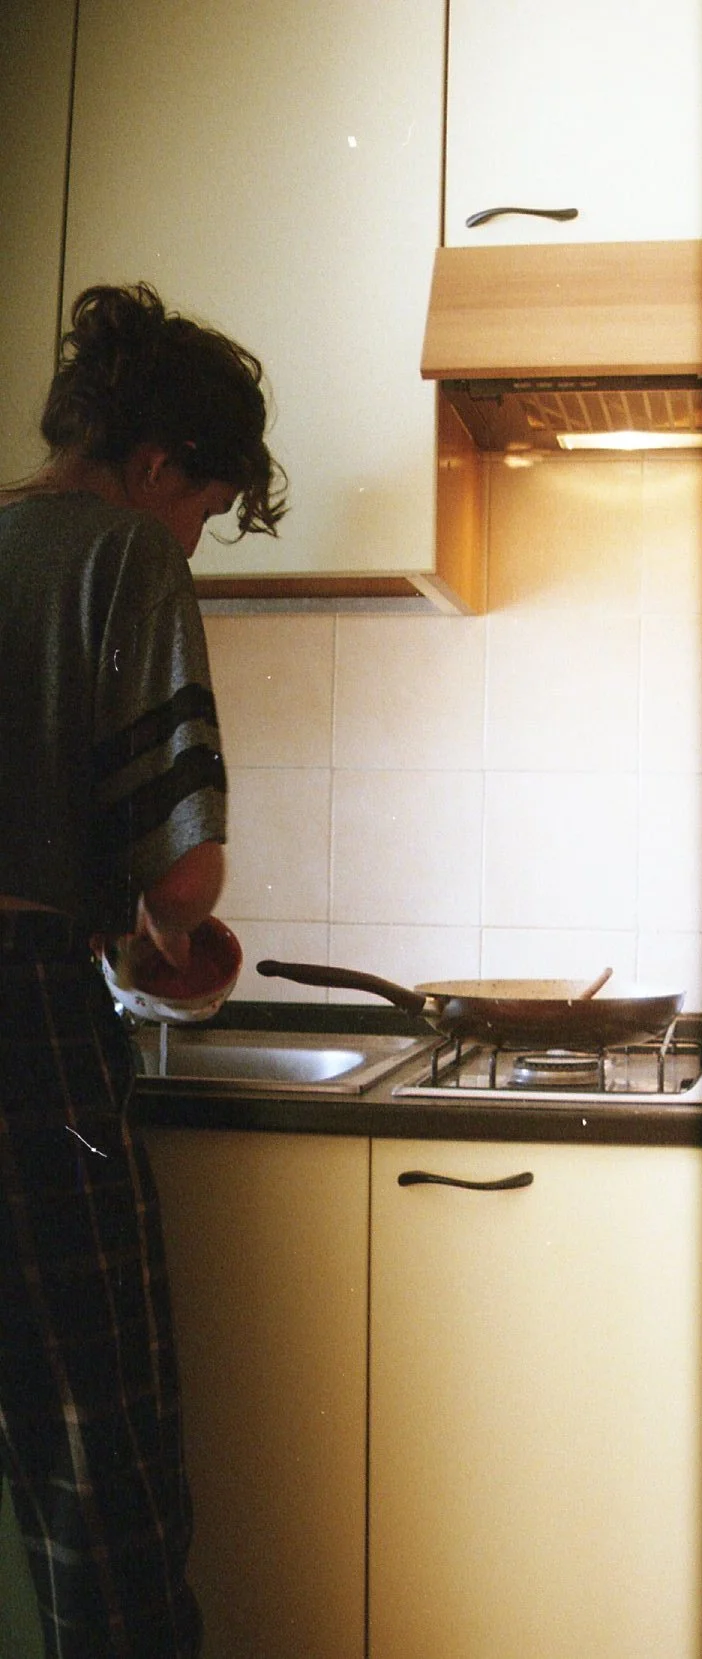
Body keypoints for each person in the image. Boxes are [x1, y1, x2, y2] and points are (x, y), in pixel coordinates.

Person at [0, 282, 286, 1656]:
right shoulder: (124, 554)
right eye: (208, 511)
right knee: (97, 1481)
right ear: (162, 462)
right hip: (26, 1039)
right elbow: (181, 872)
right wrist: (168, 934)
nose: (194, 541)